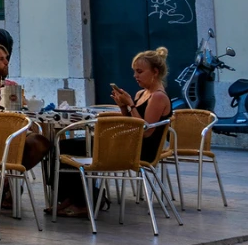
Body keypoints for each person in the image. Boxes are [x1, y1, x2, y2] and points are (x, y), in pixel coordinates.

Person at [55, 49, 171, 218]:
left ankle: (84, 200)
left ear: (155, 72)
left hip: (141, 150)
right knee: (66, 144)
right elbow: (129, 123)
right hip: (129, 144)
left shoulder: (158, 97)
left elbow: (145, 131)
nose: (135, 76)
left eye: (139, 72)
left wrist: (130, 105)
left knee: (69, 145)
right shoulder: (142, 94)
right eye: (134, 72)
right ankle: (76, 198)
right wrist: (123, 106)